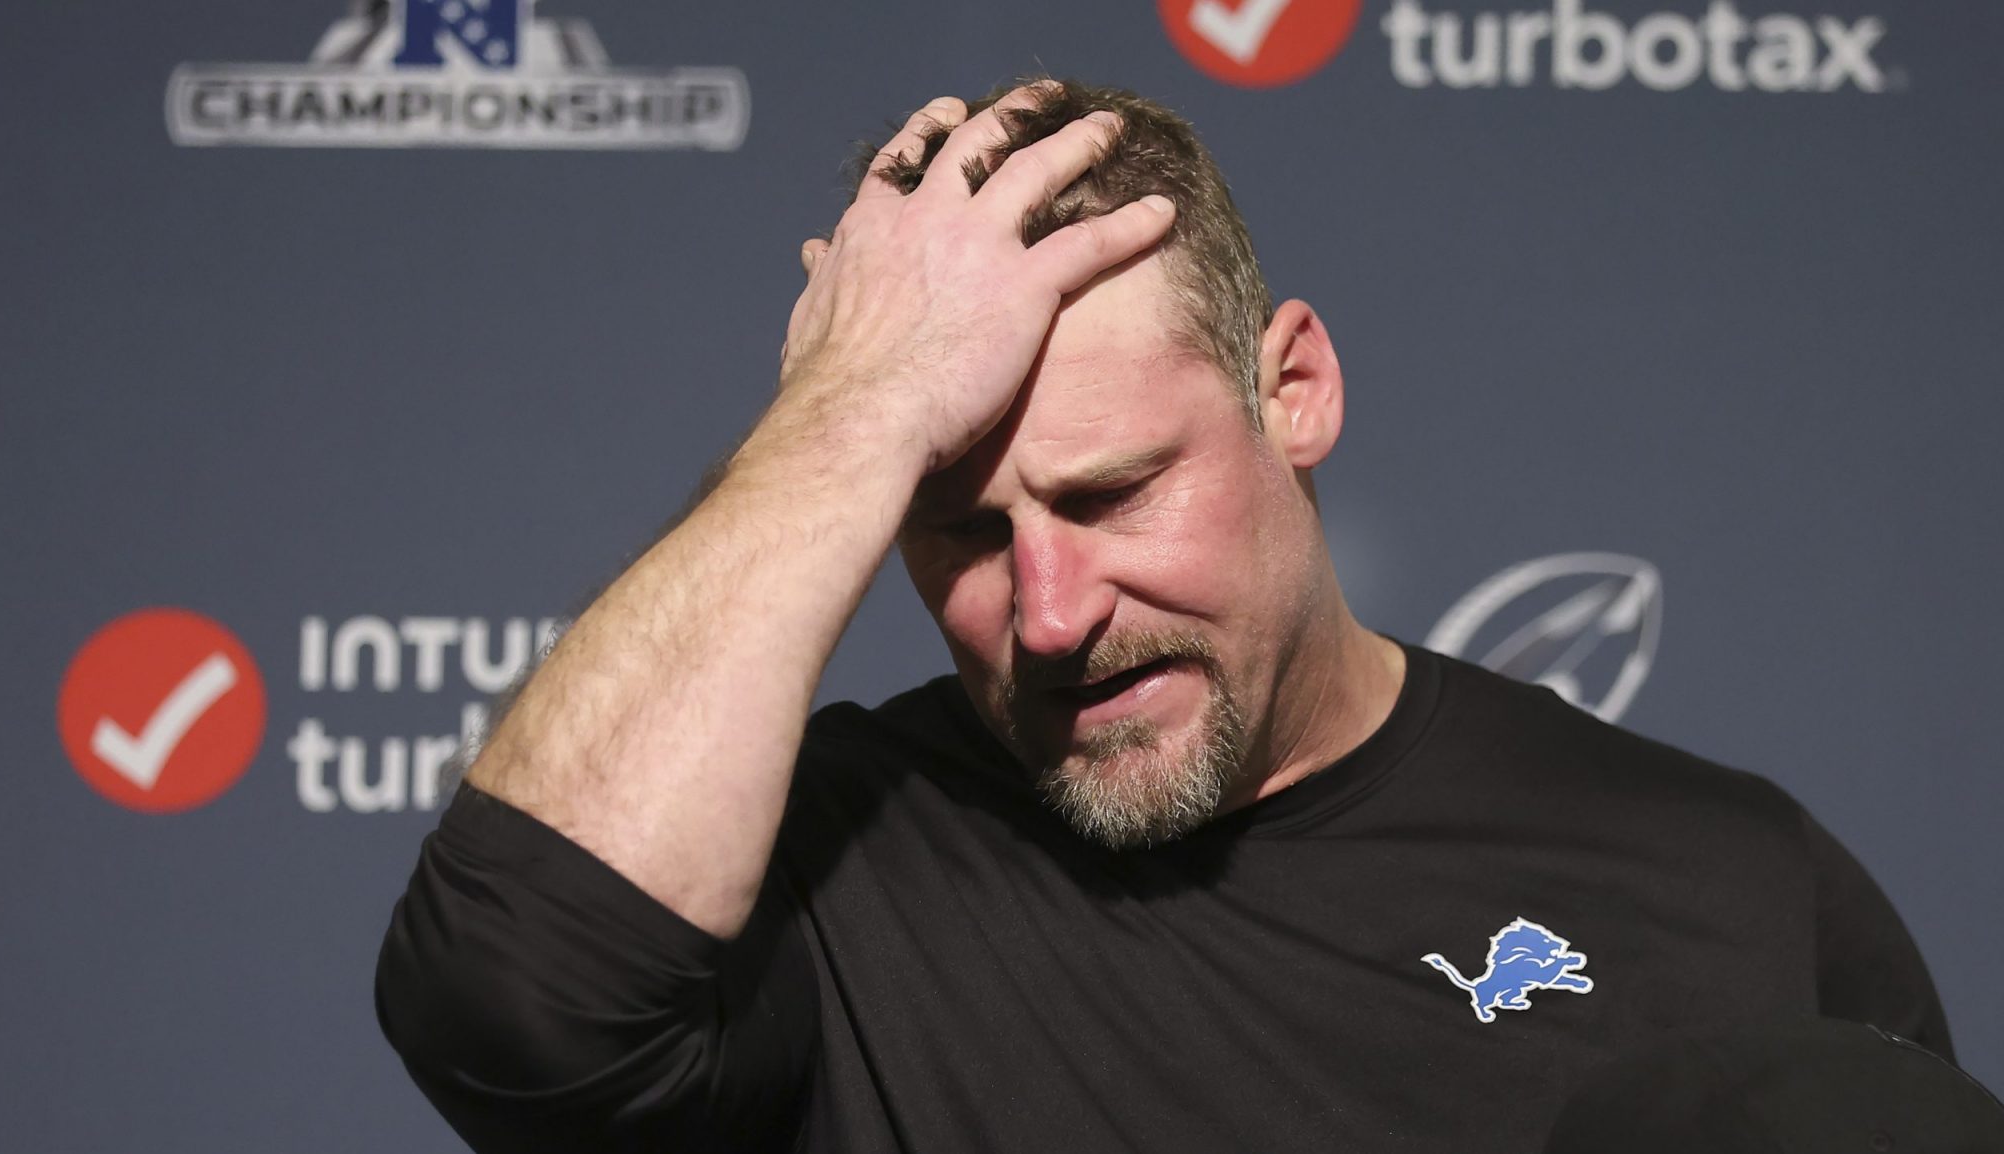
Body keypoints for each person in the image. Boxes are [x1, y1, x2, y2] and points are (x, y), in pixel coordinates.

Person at [374, 79, 1953, 1153]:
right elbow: (504, 1002)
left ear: (1298, 391)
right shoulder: (826, 886)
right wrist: (853, 415)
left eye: (1115, 492)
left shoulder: (1726, 879)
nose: (1051, 614)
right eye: (960, 527)